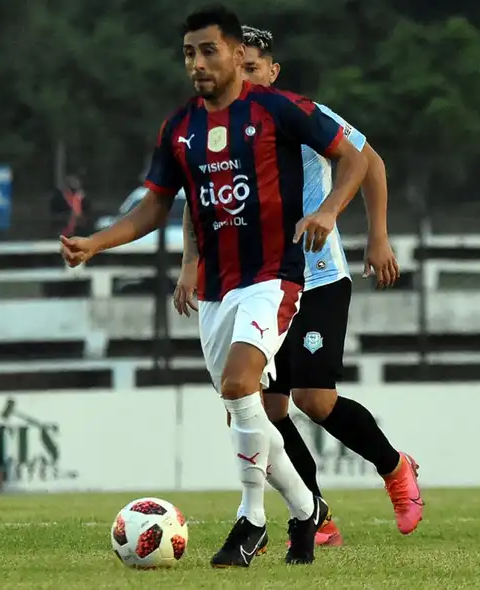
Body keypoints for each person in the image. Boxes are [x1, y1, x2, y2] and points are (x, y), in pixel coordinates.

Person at [60, 6, 369, 567]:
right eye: (188, 53)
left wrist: (327, 211)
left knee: (238, 383)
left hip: (274, 278)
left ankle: (251, 522)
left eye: (207, 51)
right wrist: (95, 243)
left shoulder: (280, 109)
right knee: (243, 409)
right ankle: (305, 511)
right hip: (216, 292)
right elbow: (154, 206)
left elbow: (353, 158)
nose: (197, 63)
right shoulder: (179, 128)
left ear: (234, 54)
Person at [174, 26, 425, 540]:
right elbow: (200, 199)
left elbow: (369, 160)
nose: (240, 78)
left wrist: (376, 236)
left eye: (251, 68)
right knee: (261, 408)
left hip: (316, 280)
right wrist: (189, 263)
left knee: (314, 397)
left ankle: (394, 467)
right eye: (234, 67)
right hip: (254, 283)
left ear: (272, 71)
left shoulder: (298, 112)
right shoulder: (218, 124)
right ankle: (314, 515)